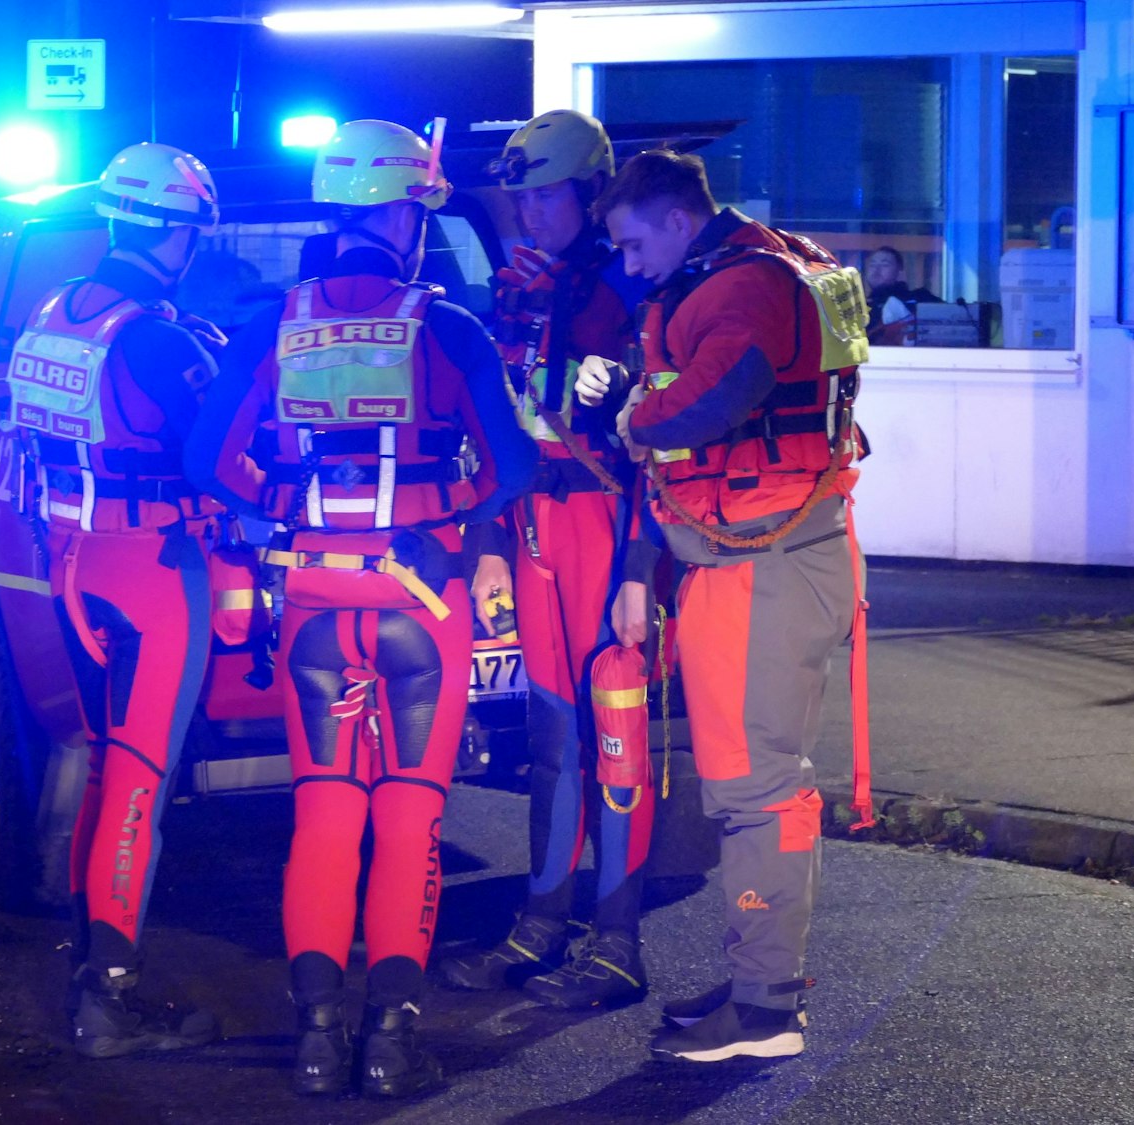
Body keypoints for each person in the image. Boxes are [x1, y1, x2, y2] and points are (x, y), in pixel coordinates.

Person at [186, 118, 536, 1098]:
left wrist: (280, 509)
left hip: (311, 599)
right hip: (418, 599)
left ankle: (314, 1038)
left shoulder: (271, 324)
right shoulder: (449, 327)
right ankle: (387, 1041)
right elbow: (514, 467)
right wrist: (444, 513)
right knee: (410, 818)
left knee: (324, 814)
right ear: (402, 216)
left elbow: (204, 459)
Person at [583, 149, 873, 1063]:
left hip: (765, 566)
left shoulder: (742, 285)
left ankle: (763, 1009)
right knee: (760, 784)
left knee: (757, 790)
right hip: (766, 558)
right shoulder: (767, 263)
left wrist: (629, 415)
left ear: (679, 219)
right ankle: (761, 977)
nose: (629, 264)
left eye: (635, 244)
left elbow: (711, 398)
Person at [8, 141, 225, 1059]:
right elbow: (223, 450)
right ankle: (109, 998)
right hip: (151, 572)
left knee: (103, 765)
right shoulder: (156, 338)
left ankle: (89, 967)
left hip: (71, 564)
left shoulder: (53, 312)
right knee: (140, 780)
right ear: (177, 232)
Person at [438, 109, 659, 1010]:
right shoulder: (521, 290)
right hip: (535, 527)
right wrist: (490, 543)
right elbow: (493, 434)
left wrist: (640, 567)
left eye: (544, 195)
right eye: (520, 198)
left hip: (608, 522)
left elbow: (660, 442)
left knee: (617, 733)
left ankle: (618, 944)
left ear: (591, 191)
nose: (529, 212)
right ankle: (541, 924)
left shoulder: (633, 286)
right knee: (550, 737)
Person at [862, 245, 938, 344]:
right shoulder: (860, 307)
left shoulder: (920, 298)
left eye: (885, 265)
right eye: (872, 265)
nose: (876, 270)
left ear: (900, 271)